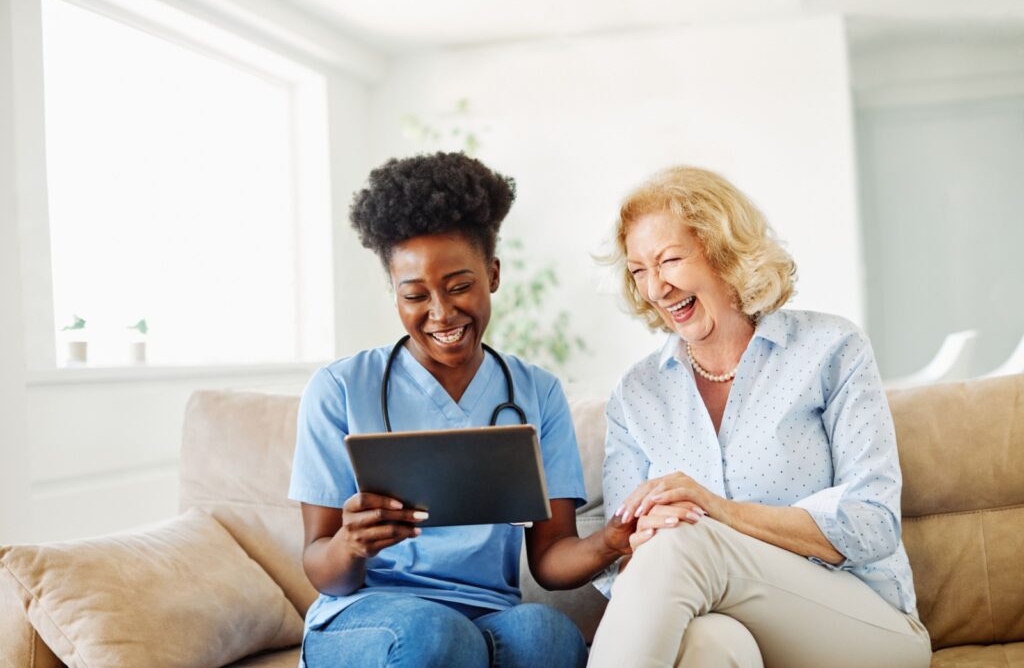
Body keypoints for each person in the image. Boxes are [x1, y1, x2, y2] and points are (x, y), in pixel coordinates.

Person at [288, 152, 633, 668]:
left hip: (486, 613)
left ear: (492, 274)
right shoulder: (339, 388)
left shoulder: (535, 392)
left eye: (459, 286)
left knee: (548, 635)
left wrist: (610, 540)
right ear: (395, 294)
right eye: (414, 295)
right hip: (367, 614)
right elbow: (322, 569)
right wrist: (350, 544)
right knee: (437, 636)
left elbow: (550, 559)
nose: (441, 313)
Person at [587, 166, 932, 668]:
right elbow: (626, 563)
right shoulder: (636, 396)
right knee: (708, 648)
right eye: (639, 271)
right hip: (729, 625)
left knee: (686, 541)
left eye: (670, 260)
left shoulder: (830, 348)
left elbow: (873, 522)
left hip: (864, 626)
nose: (656, 288)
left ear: (723, 252)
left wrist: (718, 514)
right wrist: (637, 543)